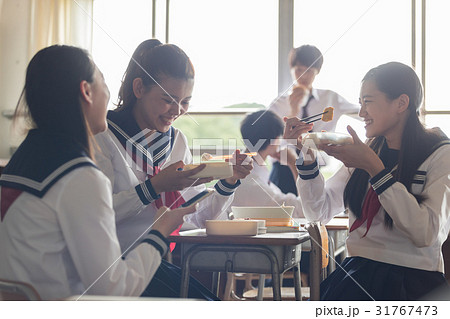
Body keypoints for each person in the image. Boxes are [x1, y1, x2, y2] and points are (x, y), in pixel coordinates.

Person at [0, 45, 200, 300]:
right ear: (86, 92)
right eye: (103, 82)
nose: (110, 95)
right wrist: (159, 232)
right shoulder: (79, 175)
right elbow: (115, 288)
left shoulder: (23, 160)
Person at [94, 39, 252, 296]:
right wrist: (155, 187)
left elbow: (194, 219)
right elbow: (96, 216)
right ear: (139, 88)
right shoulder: (104, 136)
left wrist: (228, 180)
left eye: (185, 102)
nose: (177, 111)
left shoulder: (176, 141)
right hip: (115, 268)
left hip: (161, 263)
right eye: (168, 100)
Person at [286, 61, 450, 300]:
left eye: (368, 102)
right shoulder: (368, 150)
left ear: (401, 103)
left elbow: (425, 233)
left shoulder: (439, 153)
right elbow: (317, 212)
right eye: (360, 103)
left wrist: (375, 168)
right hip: (357, 274)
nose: (361, 113)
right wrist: (308, 157)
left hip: (413, 281)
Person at [269, 44, 360, 196]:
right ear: (291, 70)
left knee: (314, 212)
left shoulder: (331, 98)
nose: (303, 76)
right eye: (298, 70)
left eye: (309, 71)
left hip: (316, 170)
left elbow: (363, 113)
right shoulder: (278, 104)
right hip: (282, 172)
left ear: (317, 72)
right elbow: (271, 142)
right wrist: (294, 110)